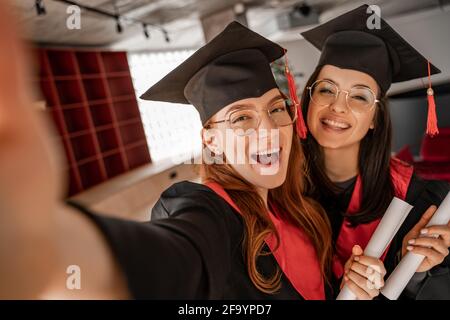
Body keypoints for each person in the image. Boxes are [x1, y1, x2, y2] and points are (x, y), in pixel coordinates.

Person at [1, 12, 388, 299]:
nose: (268, 129)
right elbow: (173, 259)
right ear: (212, 141)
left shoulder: (302, 209)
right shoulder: (206, 211)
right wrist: (45, 245)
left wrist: (352, 283)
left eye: (275, 108)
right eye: (240, 118)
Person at [298, 4, 450, 299]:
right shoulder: (276, 188)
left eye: (359, 96)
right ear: (309, 98)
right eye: (326, 89)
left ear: (375, 118)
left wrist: (414, 268)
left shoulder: (415, 197)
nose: (338, 107)